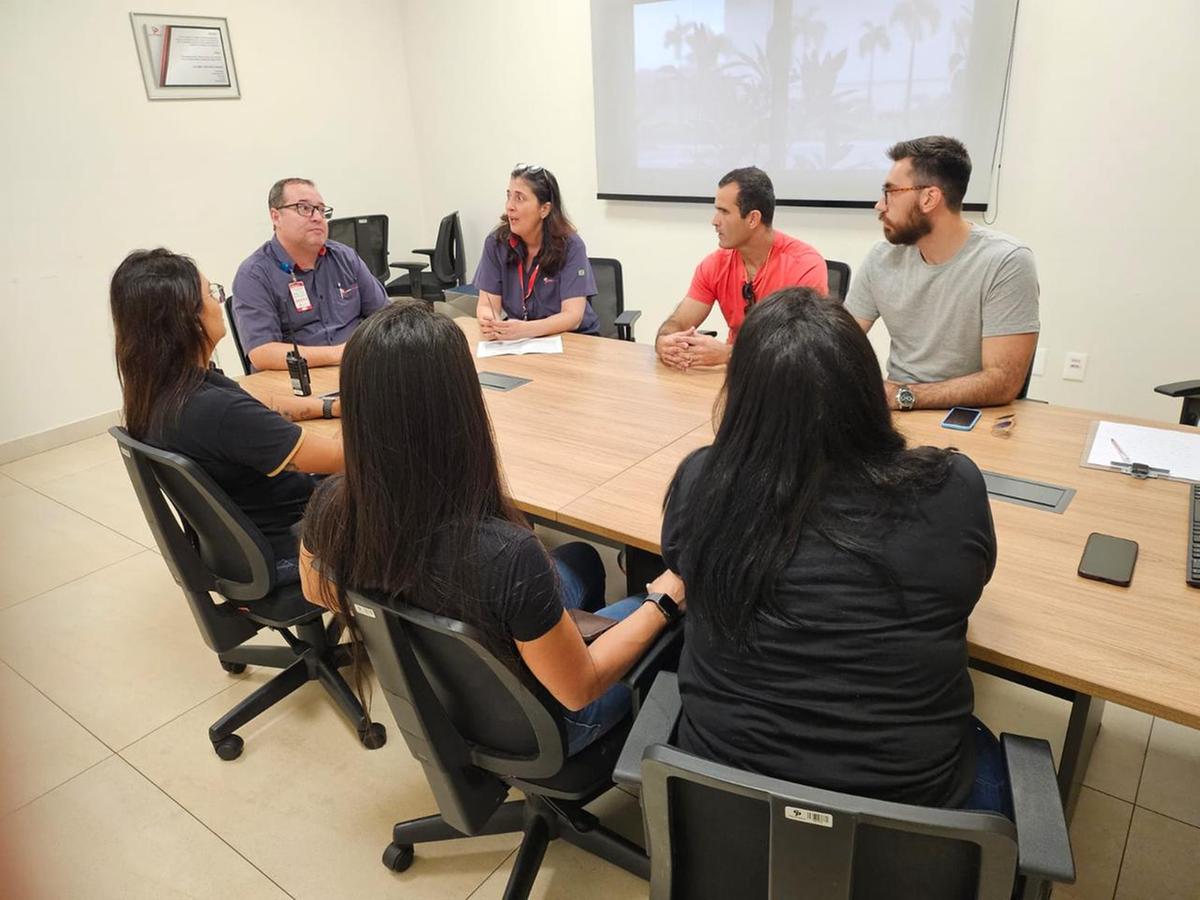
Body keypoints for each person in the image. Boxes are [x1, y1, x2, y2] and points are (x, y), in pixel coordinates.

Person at [661, 287, 1007, 814]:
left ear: (741, 397)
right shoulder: (952, 487)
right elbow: (967, 584)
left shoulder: (700, 482)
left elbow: (682, 566)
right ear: (867, 389)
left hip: (724, 814)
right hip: (913, 834)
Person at [300, 300, 684, 755]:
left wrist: (399, 620)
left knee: (581, 560)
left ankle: (552, 645)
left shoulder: (331, 504)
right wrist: (664, 601)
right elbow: (579, 689)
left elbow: (314, 589)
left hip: (439, 702)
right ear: (463, 404)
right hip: (548, 726)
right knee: (669, 611)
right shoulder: (506, 555)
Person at [110, 248, 344, 585]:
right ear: (188, 319)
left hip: (242, 549)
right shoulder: (215, 412)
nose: (220, 302)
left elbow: (257, 402)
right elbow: (340, 457)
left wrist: (328, 406)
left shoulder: (162, 392)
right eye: (212, 293)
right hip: (291, 547)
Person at [846, 136, 1040, 410]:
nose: (880, 205)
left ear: (929, 198)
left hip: (971, 417)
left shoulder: (1006, 261)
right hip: (898, 416)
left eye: (890, 192)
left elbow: (1003, 381)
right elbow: (839, 342)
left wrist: (903, 396)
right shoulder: (881, 258)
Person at [655, 167, 828, 369]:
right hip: (736, 376)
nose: (714, 221)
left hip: (784, 381)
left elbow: (804, 350)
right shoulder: (714, 264)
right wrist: (665, 341)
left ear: (753, 218)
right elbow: (679, 322)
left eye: (724, 212)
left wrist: (728, 354)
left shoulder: (804, 265)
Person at [231, 178, 388, 371]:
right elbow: (262, 353)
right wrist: (342, 354)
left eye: (321, 210)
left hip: (358, 370)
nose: (317, 217)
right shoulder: (254, 274)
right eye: (304, 208)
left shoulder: (344, 257)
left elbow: (385, 316)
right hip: (300, 380)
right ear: (275, 216)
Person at [474, 164, 601, 338]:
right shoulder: (496, 243)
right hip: (520, 343)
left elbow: (573, 317)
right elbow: (486, 304)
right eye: (508, 196)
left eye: (519, 198)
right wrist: (490, 320)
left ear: (544, 209)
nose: (509, 206)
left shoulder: (571, 246)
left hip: (572, 338)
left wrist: (526, 330)